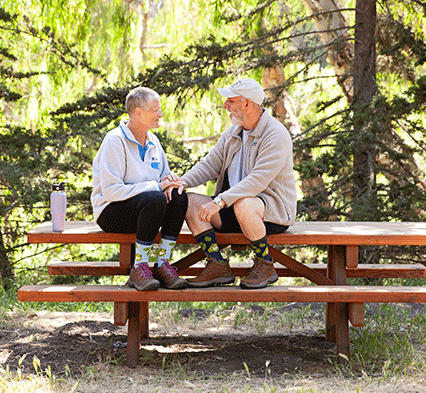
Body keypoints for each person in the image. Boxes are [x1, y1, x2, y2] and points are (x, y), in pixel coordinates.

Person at [169, 78, 297, 289]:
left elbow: (256, 182)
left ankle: (265, 264)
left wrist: (219, 201)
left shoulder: (276, 134)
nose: (225, 105)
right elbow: (210, 164)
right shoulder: (233, 132)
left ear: (246, 103)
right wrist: (181, 183)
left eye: (230, 100)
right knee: (190, 201)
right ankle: (217, 265)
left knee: (244, 204)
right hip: (231, 206)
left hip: (270, 213)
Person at [91, 87, 188, 291]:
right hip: (112, 212)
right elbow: (111, 191)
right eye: (155, 109)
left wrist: (171, 183)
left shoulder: (154, 141)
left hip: (148, 210)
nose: (160, 114)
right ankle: (139, 267)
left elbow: (164, 176)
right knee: (155, 198)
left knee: (179, 196)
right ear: (138, 113)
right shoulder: (114, 140)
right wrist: (157, 187)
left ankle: (162, 264)